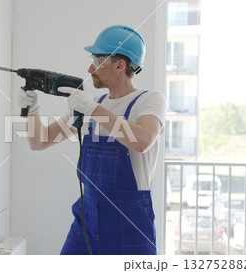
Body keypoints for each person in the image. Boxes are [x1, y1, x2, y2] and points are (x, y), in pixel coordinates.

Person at [17, 25, 167, 254]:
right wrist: (32, 110)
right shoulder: (92, 103)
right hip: (87, 221)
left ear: (120, 65)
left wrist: (92, 108)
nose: (90, 68)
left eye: (98, 61)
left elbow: (143, 140)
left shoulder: (148, 101)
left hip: (129, 225)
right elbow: (39, 141)